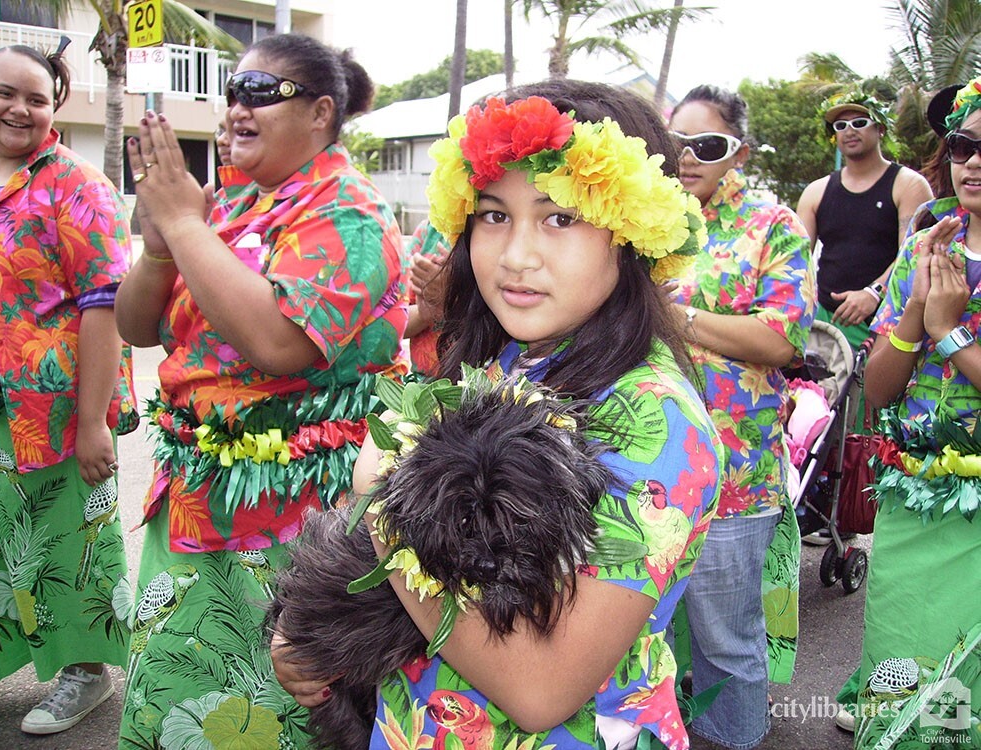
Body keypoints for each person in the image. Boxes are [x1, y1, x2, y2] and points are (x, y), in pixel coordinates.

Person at [274, 79, 725, 750]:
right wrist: (308, 625)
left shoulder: (655, 424)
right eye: (492, 214)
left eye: (559, 217)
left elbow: (541, 689)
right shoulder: (501, 360)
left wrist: (381, 512)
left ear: (631, 231)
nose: (516, 256)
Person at [114, 33, 407, 748]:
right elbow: (138, 325)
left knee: (278, 708)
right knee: (177, 692)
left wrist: (184, 223)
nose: (238, 107)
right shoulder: (230, 202)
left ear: (320, 112)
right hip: (193, 499)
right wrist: (162, 241)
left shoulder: (349, 214)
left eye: (261, 92)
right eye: (233, 91)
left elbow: (282, 343)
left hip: (294, 522)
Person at [0, 41, 138, 734]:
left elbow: (102, 303)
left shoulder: (75, 185)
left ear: (56, 107)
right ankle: (0, 662)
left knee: (70, 537)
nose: (20, 108)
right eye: (5, 93)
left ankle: (86, 674)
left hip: (51, 406)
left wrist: (93, 422)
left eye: (37, 99)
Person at [667, 85, 816, 749]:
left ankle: (733, 737)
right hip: (644, 473)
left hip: (734, 479)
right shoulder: (644, 219)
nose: (688, 157)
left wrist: (681, 318)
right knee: (641, 643)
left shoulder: (771, 224)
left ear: (739, 153)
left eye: (708, 145)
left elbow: (781, 340)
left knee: (726, 644)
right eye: (676, 142)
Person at [847, 77, 981, 750]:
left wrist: (951, 332)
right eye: (964, 144)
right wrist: (912, 313)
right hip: (914, 496)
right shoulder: (927, 250)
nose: (975, 161)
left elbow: (950, 339)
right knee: (899, 643)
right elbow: (877, 391)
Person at [797, 88, 933, 351]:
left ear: (880, 128)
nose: (849, 130)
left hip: (886, 321)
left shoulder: (909, 185)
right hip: (825, 321)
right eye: (840, 125)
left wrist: (873, 293)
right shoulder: (816, 192)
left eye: (859, 123)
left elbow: (914, 255)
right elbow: (796, 261)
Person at [402, 218, 449, 378]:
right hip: (422, 382)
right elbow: (395, 321)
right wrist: (427, 312)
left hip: (482, 386)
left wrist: (455, 295)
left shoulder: (489, 233)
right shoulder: (428, 232)